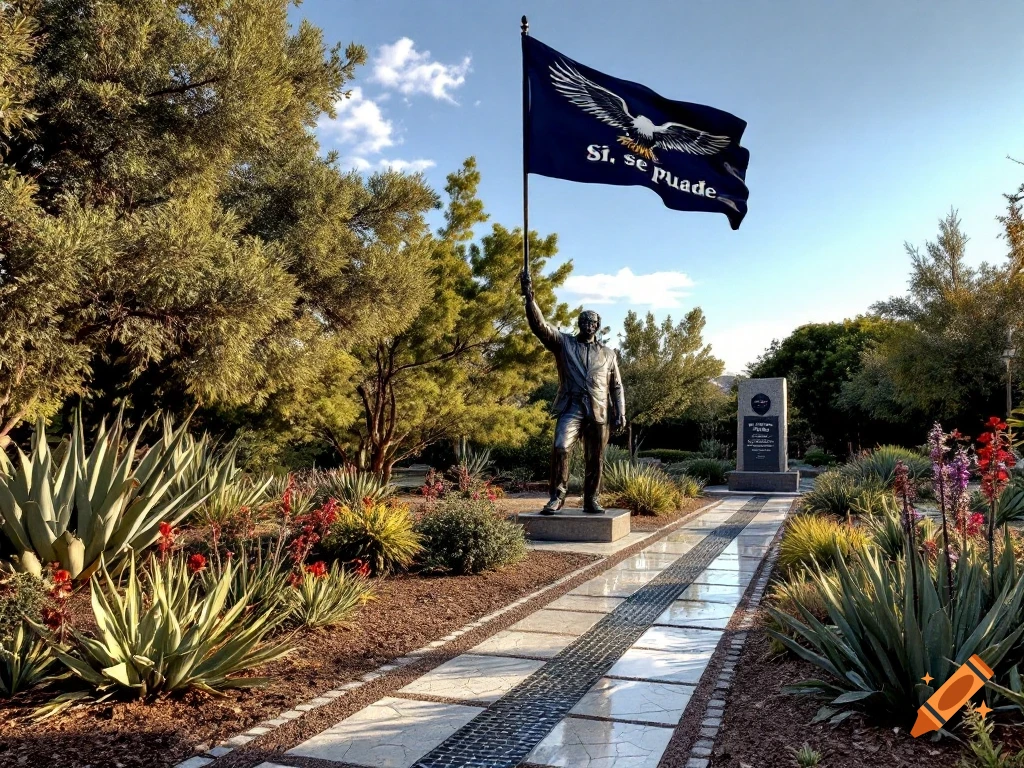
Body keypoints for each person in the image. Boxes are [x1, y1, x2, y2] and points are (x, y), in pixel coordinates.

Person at [521, 269, 626, 514]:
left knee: (595, 458)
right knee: (560, 447)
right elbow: (540, 327)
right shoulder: (564, 343)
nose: (589, 325)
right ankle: (557, 496)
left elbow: (616, 386)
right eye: (585, 322)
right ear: (579, 324)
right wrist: (529, 298)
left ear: (598, 326)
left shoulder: (609, 354)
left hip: (599, 411)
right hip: (572, 407)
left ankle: (591, 499)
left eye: (593, 322)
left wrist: (620, 412)